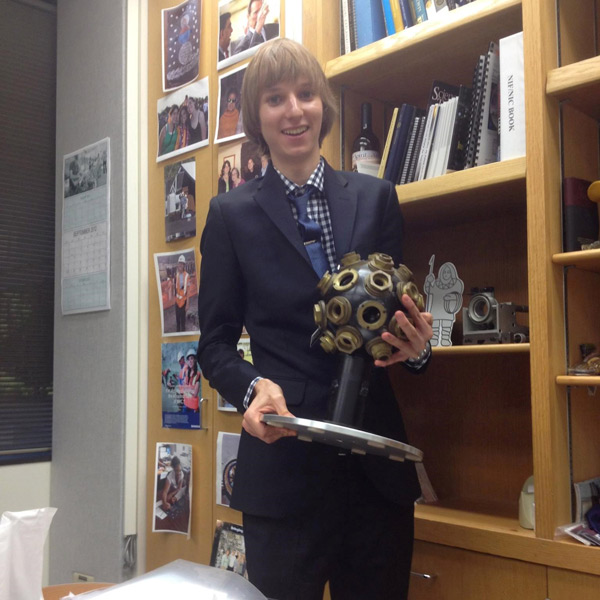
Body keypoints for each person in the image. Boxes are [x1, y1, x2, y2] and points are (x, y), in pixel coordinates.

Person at [196, 38, 433, 600]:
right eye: (275, 98)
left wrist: (419, 349)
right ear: (257, 115)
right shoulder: (230, 215)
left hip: (376, 479)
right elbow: (215, 346)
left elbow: (400, 327)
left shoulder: (378, 199)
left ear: (323, 105)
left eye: (306, 94)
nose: (294, 110)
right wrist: (253, 387)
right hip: (282, 476)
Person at [174, 254, 189, 332]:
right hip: (177, 302)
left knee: (183, 322)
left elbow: (188, 291)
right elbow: (175, 289)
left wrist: (187, 304)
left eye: (181, 263)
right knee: (177, 322)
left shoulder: (187, 276)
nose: (180, 265)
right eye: (179, 263)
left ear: (183, 265)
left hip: (183, 302)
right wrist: (175, 300)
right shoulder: (176, 276)